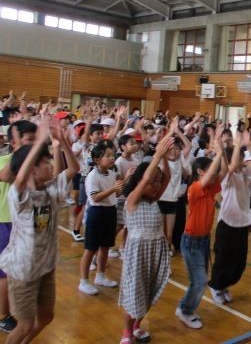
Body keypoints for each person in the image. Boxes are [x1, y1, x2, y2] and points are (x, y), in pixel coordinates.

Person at [0, 112, 79, 344]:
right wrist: (39, 143)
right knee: (23, 325)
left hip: (45, 267)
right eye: (46, 163)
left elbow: (73, 169)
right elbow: (21, 178)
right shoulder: (21, 195)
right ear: (33, 168)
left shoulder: (50, 192)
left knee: (46, 317)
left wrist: (61, 142)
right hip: (23, 270)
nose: (51, 166)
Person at [118, 135, 173, 344]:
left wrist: (165, 158)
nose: (158, 186)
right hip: (138, 254)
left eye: (158, 183)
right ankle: (126, 332)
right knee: (134, 294)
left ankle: (137, 325)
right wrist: (157, 155)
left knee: (150, 292)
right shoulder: (132, 201)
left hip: (156, 251)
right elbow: (145, 181)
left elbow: (166, 178)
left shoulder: (153, 200)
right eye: (153, 182)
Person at [175, 128, 225, 329]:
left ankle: (185, 308)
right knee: (200, 281)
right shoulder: (195, 189)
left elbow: (224, 171)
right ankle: (185, 310)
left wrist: (223, 147)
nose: (214, 176)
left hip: (203, 240)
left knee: (198, 280)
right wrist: (218, 152)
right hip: (191, 241)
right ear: (200, 173)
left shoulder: (210, 188)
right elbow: (214, 172)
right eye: (209, 172)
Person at [208, 131, 251, 304]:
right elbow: (233, 164)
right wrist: (237, 145)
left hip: (242, 223)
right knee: (224, 258)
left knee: (239, 261)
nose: (244, 162)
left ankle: (224, 285)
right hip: (227, 223)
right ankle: (216, 286)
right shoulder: (226, 176)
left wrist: (249, 145)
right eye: (241, 159)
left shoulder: (244, 175)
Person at [0, 121, 38, 334]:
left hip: (22, 222)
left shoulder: (33, 164)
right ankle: (4, 316)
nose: (33, 144)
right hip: (4, 222)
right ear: (15, 141)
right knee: (5, 274)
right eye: (28, 140)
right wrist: (18, 152)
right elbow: (5, 176)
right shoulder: (5, 160)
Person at [78, 140, 124, 295]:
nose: (112, 158)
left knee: (105, 247)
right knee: (91, 248)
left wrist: (124, 182)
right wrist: (113, 188)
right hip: (97, 213)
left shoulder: (111, 173)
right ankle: (83, 281)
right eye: (107, 156)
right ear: (97, 160)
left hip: (110, 211)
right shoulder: (92, 176)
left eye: (112, 155)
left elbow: (117, 193)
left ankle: (100, 276)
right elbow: (95, 198)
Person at [158, 118, 192, 255]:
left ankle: (167, 250)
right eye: (171, 149)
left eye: (177, 149)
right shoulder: (161, 159)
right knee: (159, 230)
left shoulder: (180, 160)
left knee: (169, 232)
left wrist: (178, 132)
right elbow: (160, 146)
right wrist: (170, 132)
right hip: (160, 199)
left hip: (173, 201)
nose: (174, 151)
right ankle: (159, 252)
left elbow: (188, 146)